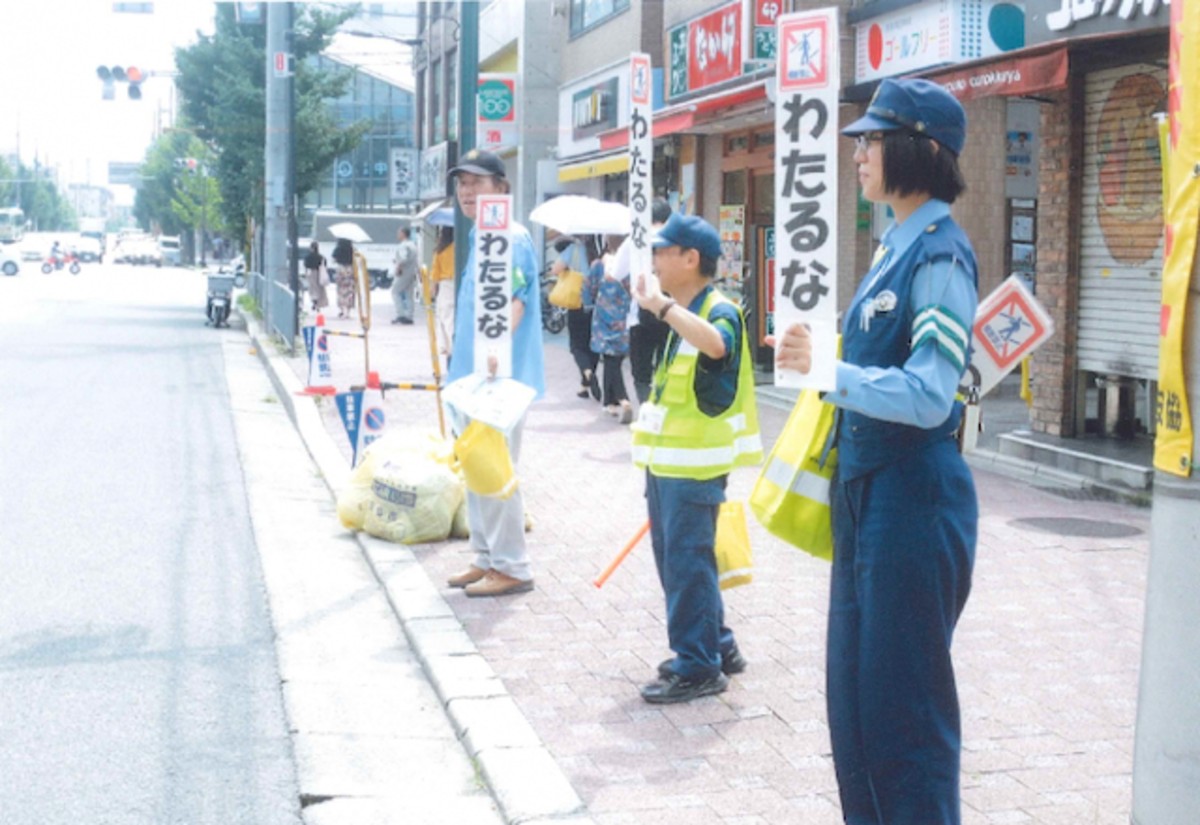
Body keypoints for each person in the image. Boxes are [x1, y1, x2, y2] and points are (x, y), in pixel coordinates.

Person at [772, 77, 979, 824]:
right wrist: (820, 356)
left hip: (914, 496)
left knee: (905, 707)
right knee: (854, 699)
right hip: (871, 495)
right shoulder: (896, 247)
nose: (858, 153)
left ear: (918, 152)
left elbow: (930, 391)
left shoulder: (941, 254)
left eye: (872, 139)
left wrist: (828, 368)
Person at [630, 213, 762, 704]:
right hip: (670, 462)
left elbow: (717, 342)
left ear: (691, 259)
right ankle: (716, 647)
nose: (656, 260)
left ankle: (699, 666)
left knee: (686, 567)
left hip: (694, 465)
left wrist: (662, 307)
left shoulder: (717, 308)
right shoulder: (685, 309)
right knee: (685, 564)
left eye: (664, 251)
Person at [442, 149, 545, 598]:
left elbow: (516, 300)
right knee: (476, 467)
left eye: (477, 182)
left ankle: (513, 566)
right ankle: (486, 559)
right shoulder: (485, 235)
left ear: (501, 188)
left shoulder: (511, 235)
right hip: (472, 377)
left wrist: (494, 354)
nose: (467, 191)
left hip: (498, 378)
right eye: (462, 183)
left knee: (495, 468)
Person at [619, 198, 672, 404]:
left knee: (641, 371)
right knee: (666, 363)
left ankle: (647, 411)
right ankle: (663, 406)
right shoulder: (678, 238)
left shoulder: (636, 238)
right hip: (671, 309)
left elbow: (615, 273)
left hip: (641, 311)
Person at [586, 233, 633, 423]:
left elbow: (589, 287)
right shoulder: (631, 266)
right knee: (615, 359)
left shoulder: (598, 265)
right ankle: (609, 402)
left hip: (603, 318)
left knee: (610, 360)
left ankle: (623, 399)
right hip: (623, 317)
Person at [551, 235, 599, 400]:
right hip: (598, 304)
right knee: (592, 345)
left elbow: (556, 269)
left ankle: (587, 372)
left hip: (577, 302)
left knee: (577, 346)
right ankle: (585, 386)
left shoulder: (574, 249)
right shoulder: (600, 250)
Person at [428, 226, 456, 363]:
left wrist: (431, 291)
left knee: (446, 318)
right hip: (461, 283)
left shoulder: (440, 250)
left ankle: (451, 348)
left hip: (446, 285)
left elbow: (435, 274)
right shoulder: (463, 247)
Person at [391, 227, 418, 325]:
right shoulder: (413, 245)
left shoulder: (403, 246)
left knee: (395, 291)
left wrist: (398, 265)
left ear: (403, 234)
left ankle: (400, 314)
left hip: (403, 273)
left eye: (399, 233)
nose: (397, 235)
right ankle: (409, 316)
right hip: (411, 272)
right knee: (409, 294)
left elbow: (403, 258)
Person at [331, 238, 356, 320]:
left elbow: (333, 260)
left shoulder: (338, 249)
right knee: (350, 291)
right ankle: (348, 312)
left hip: (341, 270)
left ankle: (343, 310)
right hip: (350, 269)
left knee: (341, 291)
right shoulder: (353, 249)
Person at [303, 241, 328, 312]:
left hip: (311, 273)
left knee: (312, 288)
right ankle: (318, 303)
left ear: (311, 248)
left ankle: (314, 301)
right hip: (319, 273)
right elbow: (325, 264)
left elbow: (305, 265)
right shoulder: (321, 257)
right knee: (319, 288)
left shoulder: (308, 257)